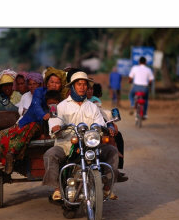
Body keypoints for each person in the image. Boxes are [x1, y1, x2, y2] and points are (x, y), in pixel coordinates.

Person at [43, 70, 126, 201]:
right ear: (72, 87)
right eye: (79, 84)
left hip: (90, 144)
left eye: (84, 84)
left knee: (112, 151)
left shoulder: (92, 107)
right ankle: (57, 188)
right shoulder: (62, 106)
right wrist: (56, 127)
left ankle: (106, 188)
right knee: (50, 154)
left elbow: (99, 122)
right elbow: (55, 121)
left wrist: (104, 128)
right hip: (66, 144)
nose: (82, 87)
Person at [0, 70, 64, 172]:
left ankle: (8, 154)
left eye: (57, 83)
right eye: (52, 82)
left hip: (42, 126)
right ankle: (6, 155)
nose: (54, 85)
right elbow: (37, 106)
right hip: (30, 121)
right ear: (46, 83)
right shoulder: (39, 92)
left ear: (61, 85)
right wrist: (44, 115)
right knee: (5, 134)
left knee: (25, 131)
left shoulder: (61, 96)